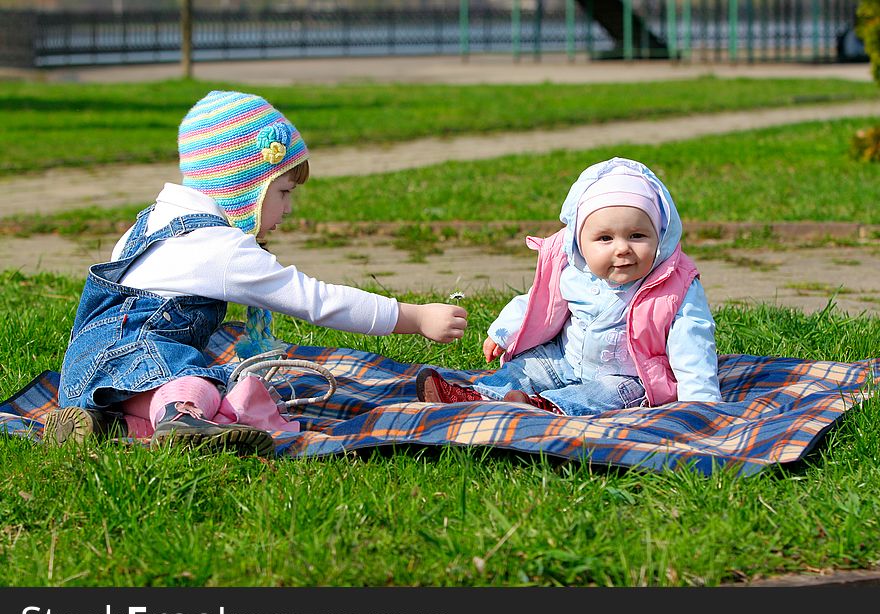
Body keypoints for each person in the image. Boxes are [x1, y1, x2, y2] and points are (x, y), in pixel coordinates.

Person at [45, 90, 467, 455]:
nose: (288, 209)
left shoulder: (152, 221)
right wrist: (415, 317)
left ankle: (105, 424)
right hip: (146, 362)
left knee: (166, 387)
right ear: (243, 188)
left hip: (86, 375)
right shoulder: (220, 248)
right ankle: (182, 419)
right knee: (203, 384)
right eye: (282, 192)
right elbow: (316, 300)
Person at [416, 156, 721, 416]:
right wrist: (504, 331)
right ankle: (477, 397)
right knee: (525, 368)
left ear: (660, 236)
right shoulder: (575, 271)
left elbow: (692, 343)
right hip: (564, 361)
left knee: (607, 394)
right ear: (579, 242)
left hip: (629, 376)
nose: (622, 249)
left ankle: (543, 408)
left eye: (637, 236)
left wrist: (701, 404)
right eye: (605, 238)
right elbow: (539, 302)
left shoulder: (673, 286)